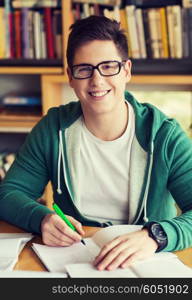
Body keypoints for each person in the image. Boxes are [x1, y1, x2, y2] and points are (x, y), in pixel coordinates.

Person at [0, 16, 192, 272]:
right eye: (84, 69)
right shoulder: (53, 129)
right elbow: (8, 194)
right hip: (75, 265)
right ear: (70, 76)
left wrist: (156, 236)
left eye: (109, 66)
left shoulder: (165, 135)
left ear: (127, 70)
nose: (97, 80)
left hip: (146, 267)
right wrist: (42, 219)